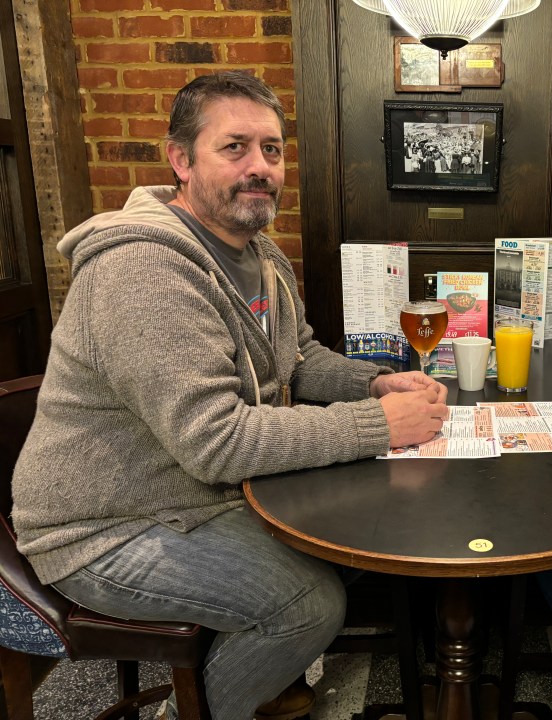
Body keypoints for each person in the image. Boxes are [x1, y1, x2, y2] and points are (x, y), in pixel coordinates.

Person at [11, 71, 448, 720]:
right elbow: (218, 442)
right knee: (309, 603)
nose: (261, 168)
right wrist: (379, 424)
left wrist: (374, 382)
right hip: (107, 526)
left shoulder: (261, 254)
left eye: (272, 150)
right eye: (235, 147)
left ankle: (257, 681)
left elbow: (299, 361)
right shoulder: (143, 270)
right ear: (181, 160)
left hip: (198, 497)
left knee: (358, 539)